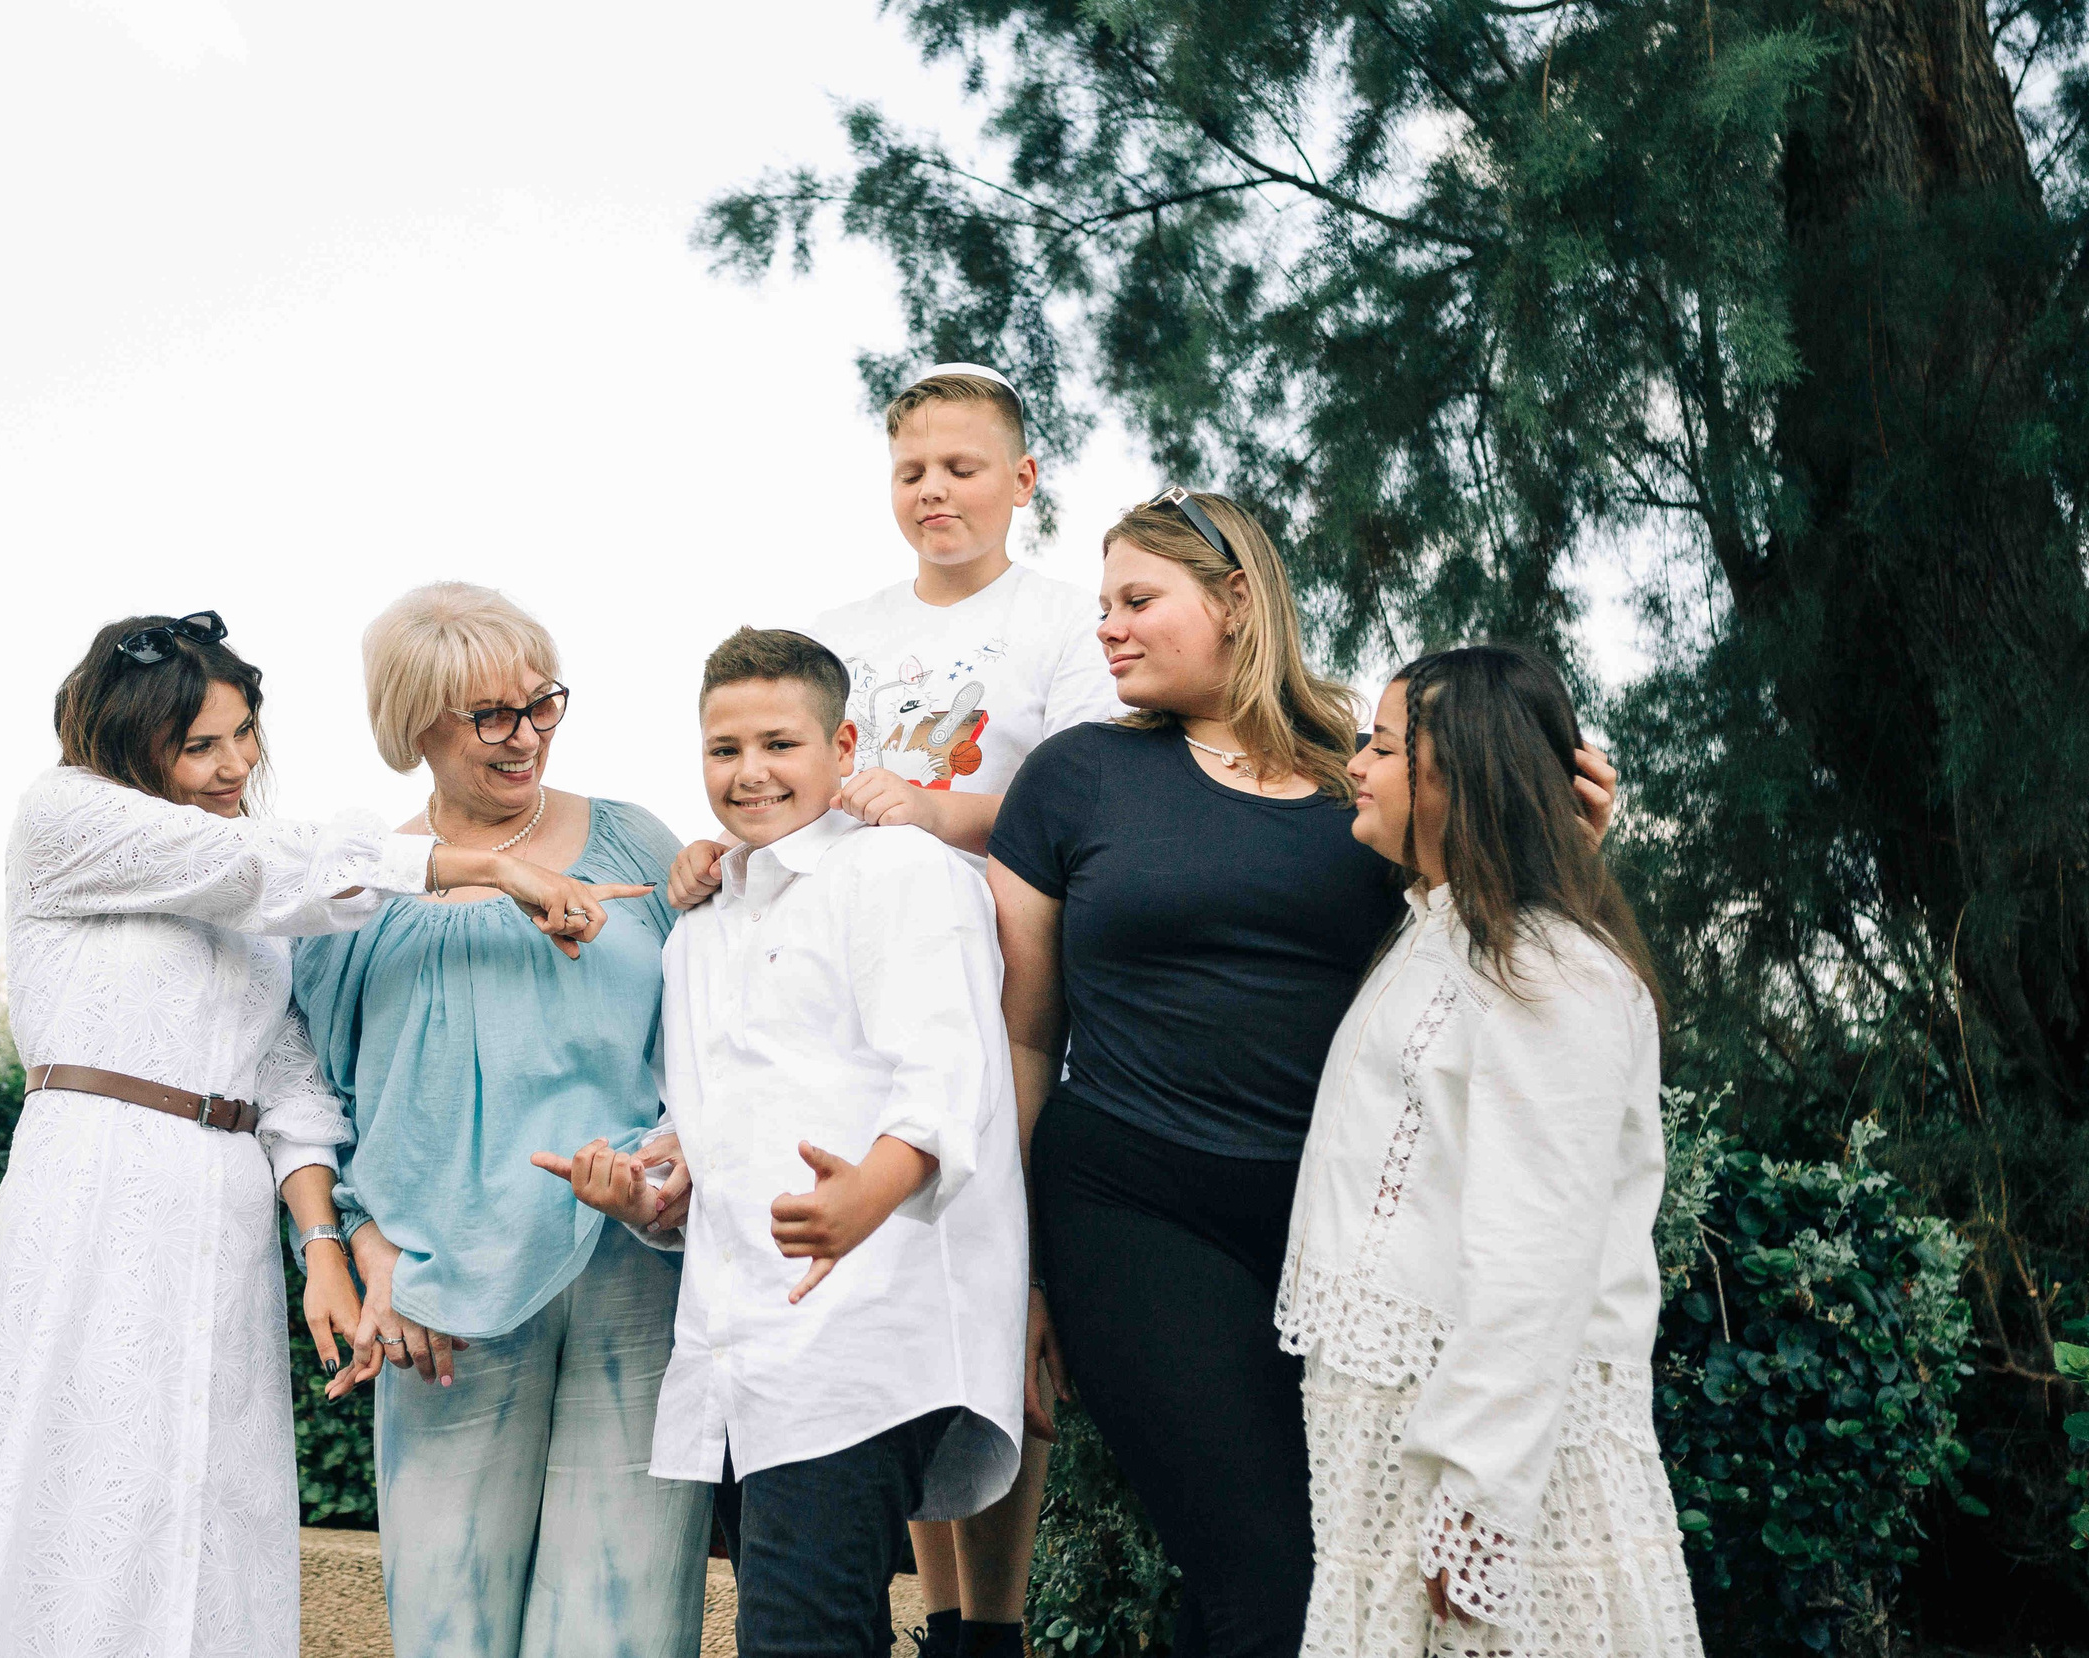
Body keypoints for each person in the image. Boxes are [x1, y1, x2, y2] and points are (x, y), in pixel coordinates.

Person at [984, 495, 1619, 1658]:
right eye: (1101, 606)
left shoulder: (1367, 785)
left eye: (1137, 600)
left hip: (1329, 1236)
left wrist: (1557, 844)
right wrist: (1021, 1267)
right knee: (1268, 1579)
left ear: (1235, 601)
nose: (1107, 630)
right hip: (1131, 1204)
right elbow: (1023, 1038)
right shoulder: (1075, 778)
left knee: (1298, 1573)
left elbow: (1476, 949)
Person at [0, 611, 619, 1658]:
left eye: (244, 733)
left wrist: (320, 1247)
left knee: (220, 1485)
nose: (233, 763)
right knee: (86, 1475)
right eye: (199, 743)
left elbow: (288, 1078)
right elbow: (268, 864)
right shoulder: (68, 817)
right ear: (127, 740)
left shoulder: (247, 888)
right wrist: (495, 868)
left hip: (219, 1205)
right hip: (98, 1177)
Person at [668, 364, 1118, 1658]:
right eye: (912, 469)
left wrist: (942, 810)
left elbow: (1084, 803)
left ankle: (996, 1619)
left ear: (1023, 481)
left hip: (1010, 995)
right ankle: (935, 1612)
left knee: (985, 1276)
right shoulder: (845, 625)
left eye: (963, 467)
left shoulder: (1058, 625)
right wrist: (722, 859)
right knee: (884, 1298)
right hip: (851, 1007)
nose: (935, 492)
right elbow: (785, 785)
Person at [546, 626, 1027, 1658]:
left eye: (779, 742)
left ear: (843, 743)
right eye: (725, 749)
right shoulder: (701, 928)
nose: (750, 771)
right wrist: (649, 1196)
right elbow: (712, 1134)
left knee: (801, 1636)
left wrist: (868, 1195)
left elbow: (950, 1076)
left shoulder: (897, 868)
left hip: (865, 1331)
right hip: (746, 1348)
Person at [290, 583, 713, 1658]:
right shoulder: (353, 895)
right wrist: (370, 1246)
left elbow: (714, 1049)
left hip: (631, 1269)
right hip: (437, 1299)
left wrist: (667, 1168)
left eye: (542, 703)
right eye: (490, 715)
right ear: (414, 723)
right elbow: (314, 1101)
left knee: (620, 1619)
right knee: (448, 1622)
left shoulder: (635, 843)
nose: (526, 735)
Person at [1279, 643, 1703, 1653]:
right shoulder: (1439, 933)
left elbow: (1538, 1254)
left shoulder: (1551, 969)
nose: (1357, 765)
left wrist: (1475, 1498)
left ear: (1453, 772)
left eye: (1382, 745)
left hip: (1492, 1464)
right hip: (1388, 1441)